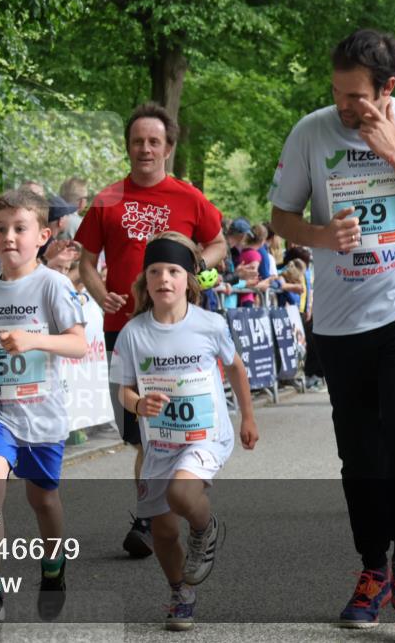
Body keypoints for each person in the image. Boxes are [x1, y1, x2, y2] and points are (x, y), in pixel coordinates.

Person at [268, 29, 395, 635]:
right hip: (341, 315)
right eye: (336, 93)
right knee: (359, 454)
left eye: (357, 96)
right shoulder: (311, 131)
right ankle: (371, 568)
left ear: (389, 89)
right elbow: (281, 217)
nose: (344, 107)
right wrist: (321, 237)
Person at [74, 101, 227, 559]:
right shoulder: (107, 199)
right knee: (144, 428)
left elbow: (216, 242)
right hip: (127, 328)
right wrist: (101, 293)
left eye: (154, 141)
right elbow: (85, 259)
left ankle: (165, 506)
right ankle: (157, 507)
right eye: (138, 141)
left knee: (169, 425)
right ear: (128, 146)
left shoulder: (188, 196)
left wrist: (200, 266)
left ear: (168, 147)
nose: (145, 149)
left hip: (178, 329)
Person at [111, 232, 258, 630]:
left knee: (181, 495)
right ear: (145, 280)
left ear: (188, 280)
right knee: (160, 531)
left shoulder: (209, 324)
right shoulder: (134, 333)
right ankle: (180, 593)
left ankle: (204, 528)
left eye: (173, 271)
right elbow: (123, 389)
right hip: (159, 441)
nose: (164, 278)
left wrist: (247, 416)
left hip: (206, 434)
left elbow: (235, 368)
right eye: (155, 271)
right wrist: (139, 404)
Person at [0, 188, 87, 626]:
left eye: (19, 228)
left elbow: (77, 342)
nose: (8, 237)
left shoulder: (53, 283)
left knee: (43, 499)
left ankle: (53, 568)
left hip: (41, 410)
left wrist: (32, 339)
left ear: (43, 235)